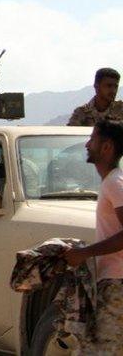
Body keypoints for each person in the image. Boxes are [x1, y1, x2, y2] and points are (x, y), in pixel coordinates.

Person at [64, 120, 123, 351]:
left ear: (107, 147)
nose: (88, 144)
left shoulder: (114, 184)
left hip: (116, 283)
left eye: (93, 139)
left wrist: (84, 253)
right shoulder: (112, 182)